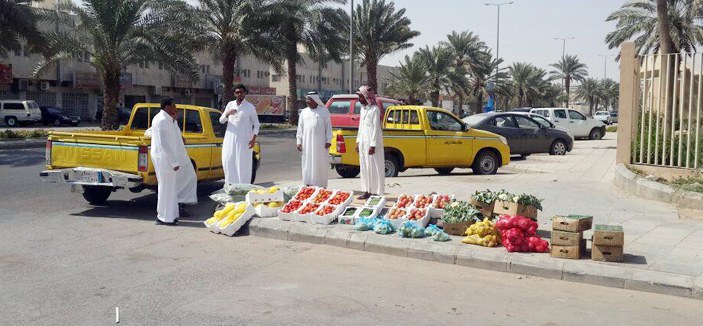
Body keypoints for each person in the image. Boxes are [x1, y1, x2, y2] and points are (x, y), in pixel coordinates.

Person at [149, 97, 198, 226]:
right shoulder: (162, 120)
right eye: (173, 105)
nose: (176, 108)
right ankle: (164, 217)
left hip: (165, 158)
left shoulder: (167, 119)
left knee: (170, 188)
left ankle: (170, 215)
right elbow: (164, 144)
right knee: (166, 188)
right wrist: (174, 162)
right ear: (167, 107)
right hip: (164, 159)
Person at [220, 84, 260, 184]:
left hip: (244, 141)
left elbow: (256, 124)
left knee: (243, 164)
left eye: (241, 92)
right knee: (228, 161)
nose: (239, 94)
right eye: (237, 92)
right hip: (230, 140)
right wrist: (227, 113)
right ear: (234, 94)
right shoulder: (230, 104)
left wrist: (253, 139)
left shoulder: (249, 107)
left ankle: (243, 188)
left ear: (245, 93)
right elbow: (221, 120)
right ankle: (231, 187)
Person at [296, 92, 333, 187]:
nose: (307, 101)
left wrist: (328, 140)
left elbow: (328, 127)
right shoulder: (304, 112)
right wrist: (299, 142)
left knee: (320, 163)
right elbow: (300, 128)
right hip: (307, 144)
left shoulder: (324, 111)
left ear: (315, 100)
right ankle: (308, 184)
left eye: (309, 99)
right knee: (307, 163)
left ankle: (321, 185)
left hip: (321, 144)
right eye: (307, 99)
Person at [355, 85, 385, 199]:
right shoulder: (363, 109)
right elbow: (361, 127)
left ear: (366, 97)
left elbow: (376, 129)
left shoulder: (375, 110)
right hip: (363, 142)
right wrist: (358, 142)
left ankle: (375, 192)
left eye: (360, 97)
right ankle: (367, 191)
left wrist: (372, 145)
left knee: (373, 167)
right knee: (364, 166)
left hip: (373, 144)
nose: (359, 99)